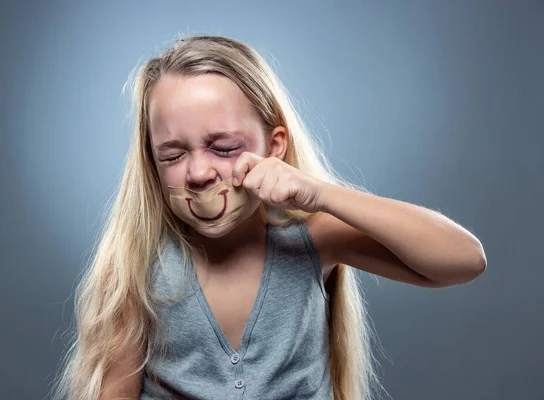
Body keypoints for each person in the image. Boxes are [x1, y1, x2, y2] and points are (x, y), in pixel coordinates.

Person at [50, 35, 487, 400]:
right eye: (174, 154)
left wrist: (322, 195)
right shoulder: (137, 263)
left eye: (223, 148)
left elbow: (463, 260)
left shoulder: (312, 237)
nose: (200, 173)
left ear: (274, 145)